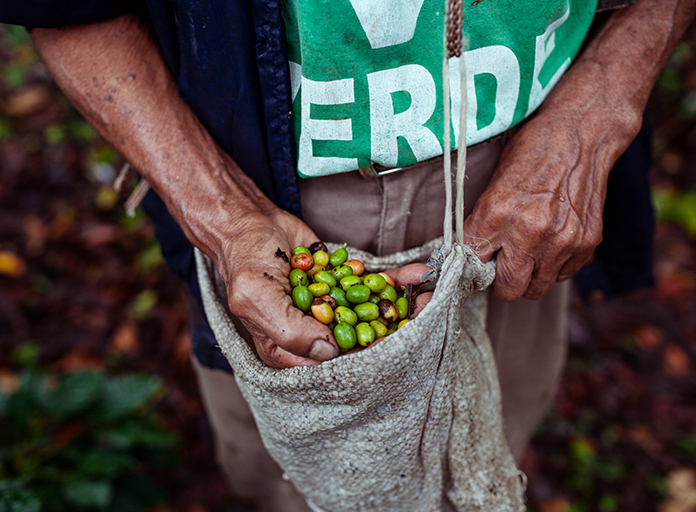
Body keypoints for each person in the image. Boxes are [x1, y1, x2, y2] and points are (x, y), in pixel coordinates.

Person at [2, 0, 695, 510]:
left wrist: (599, 107)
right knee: (287, 476)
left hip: (518, 155)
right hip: (269, 174)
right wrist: (223, 216)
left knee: (492, 426)